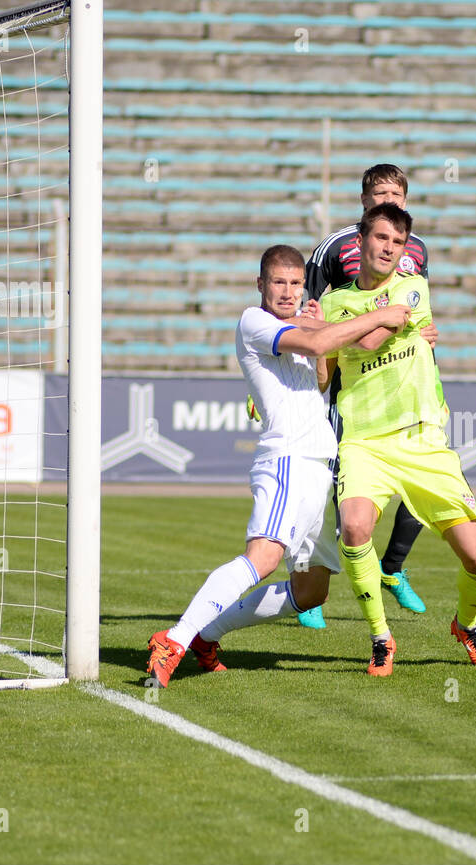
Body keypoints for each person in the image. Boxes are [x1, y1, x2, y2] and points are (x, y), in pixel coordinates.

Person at [145, 245, 409, 687]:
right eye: (278, 283)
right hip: (288, 459)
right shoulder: (255, 321)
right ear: (261, 285)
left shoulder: (298, 323)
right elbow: (320, 341)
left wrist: (321, 326)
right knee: (263, 558)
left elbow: (322, 376)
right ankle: (175, 639)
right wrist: (377, 317)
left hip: (319, 466)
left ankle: (207, 636)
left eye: (294, 283)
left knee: (311, 591)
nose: (287, 292)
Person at [320, 203, 476, 676]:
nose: (389, 249)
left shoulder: (413, 286)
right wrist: (344, 327)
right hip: (363, 441)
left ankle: (466, 623)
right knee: (354, 529)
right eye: (381, 238)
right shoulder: (334, 300)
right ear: (361, 241)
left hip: (422, 440)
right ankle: (381, 638)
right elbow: (331, 362)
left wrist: (337, 331)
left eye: (397, 243)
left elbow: (365, 343)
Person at [296, 163, 431, 629]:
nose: (386, 200)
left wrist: (424, 333)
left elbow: (415, 307)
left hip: (407, 382)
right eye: (378, 194)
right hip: (347, 385)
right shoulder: (334, 248)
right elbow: (305, 312)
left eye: (395, 193)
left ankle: (392, 568)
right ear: (364, 201)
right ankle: (313, 587)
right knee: (337, 486)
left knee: (421, 486)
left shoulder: (416, 251)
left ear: (406, 202)